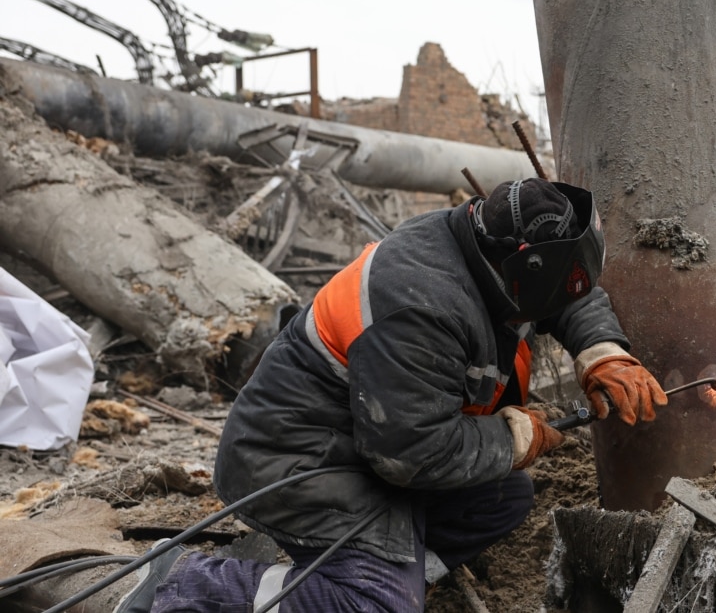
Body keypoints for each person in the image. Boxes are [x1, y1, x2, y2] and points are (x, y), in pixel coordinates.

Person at [113, 178, 668, 613]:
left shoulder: (494, 247)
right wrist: (514, 434)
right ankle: (190, 581)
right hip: (298, 458)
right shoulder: (420, 306)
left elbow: (566, 291)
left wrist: (603, 351)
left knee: (505, 499)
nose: (567, 294)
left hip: (373, 441)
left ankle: (383, 574)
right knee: (375, 605)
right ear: (526, 269)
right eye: (562, 282)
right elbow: (412, 453)